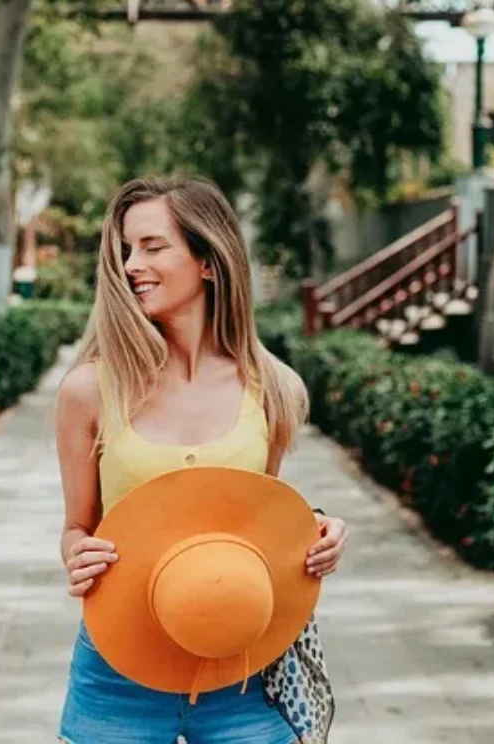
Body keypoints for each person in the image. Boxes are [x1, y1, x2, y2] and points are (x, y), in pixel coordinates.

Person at [55, 176, 348, 743]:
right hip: (117, 673)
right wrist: (77, 554)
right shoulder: (89, 391)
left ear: (209, 260)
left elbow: (256, 524)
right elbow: (76, 527)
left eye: (151, 246)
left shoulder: (272, 390)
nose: (130, 264)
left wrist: (317, 533)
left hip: (243, 672)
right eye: (124, 249)